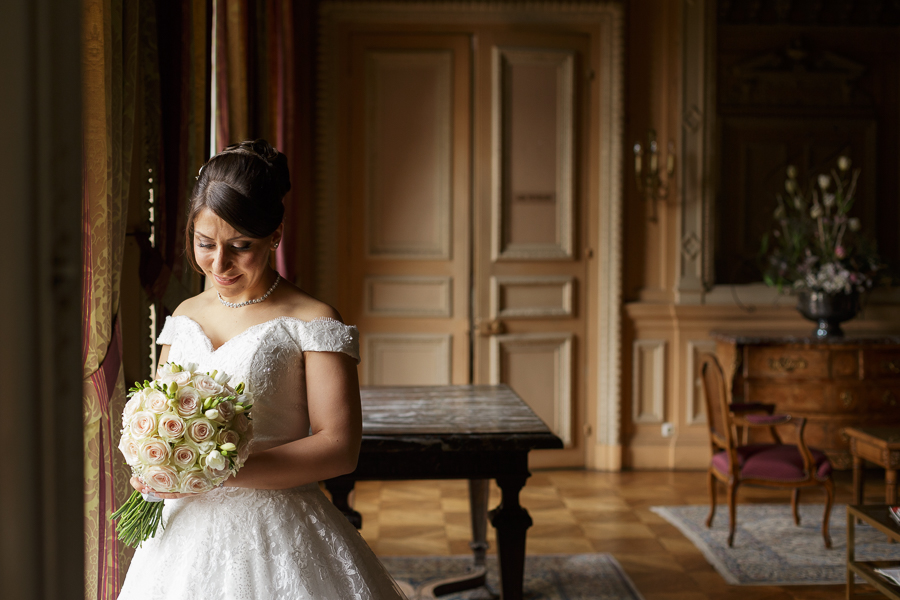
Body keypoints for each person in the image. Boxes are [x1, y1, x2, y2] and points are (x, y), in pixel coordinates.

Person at [118, 140, 408, 599]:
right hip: (182, 539)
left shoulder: (313, 320)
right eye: (205, 244)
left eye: (241, 246)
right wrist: (154, 466)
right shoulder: (183, 316)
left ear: (275, 234)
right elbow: (158, 415)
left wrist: (216, 469)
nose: (219, 263)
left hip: (279, 531)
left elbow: (340, 447)